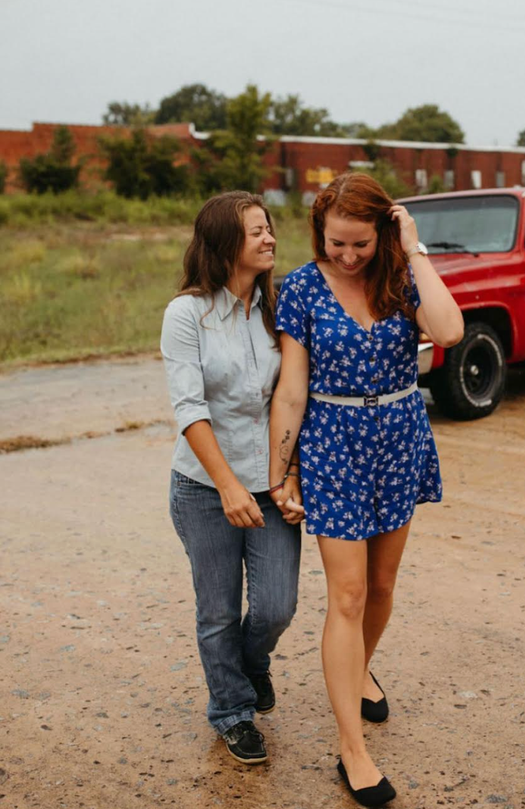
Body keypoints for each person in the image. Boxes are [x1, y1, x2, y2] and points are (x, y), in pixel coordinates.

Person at [268, 173, 464, 806]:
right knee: (347, 594)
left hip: (399, 436)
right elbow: (292, 387)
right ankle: (351, 749)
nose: (348, 256)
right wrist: (282, 469)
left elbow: (451, 331)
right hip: (333, 443)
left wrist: (412, 247)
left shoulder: (401, 277)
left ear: (383, 233)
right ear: (319, 234)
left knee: (381, 587)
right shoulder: (299, 287)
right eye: (335, 243)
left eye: (360, 244)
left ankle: (356, 673)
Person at [161, 191, 304, 766]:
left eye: (269, 228)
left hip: (270, 487)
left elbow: (293, 399)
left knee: (276, 608)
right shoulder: (186, 314)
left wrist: (288, 477)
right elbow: (189, 408)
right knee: (217, 611)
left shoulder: (279, 307)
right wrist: (226, 485)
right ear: (224, 243)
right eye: (255, 231)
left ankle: (253, 664)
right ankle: (232, 712)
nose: (270, 238)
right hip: (204, 488)